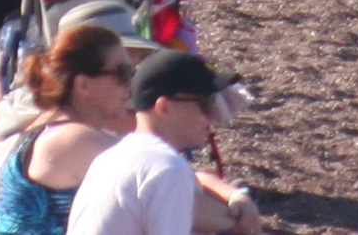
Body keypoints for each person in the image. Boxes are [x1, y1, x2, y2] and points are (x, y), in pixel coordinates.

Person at [66, 48, 263, 235]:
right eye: (205, 104)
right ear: (164, 108)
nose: (213, 116)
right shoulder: (166, 168)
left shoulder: (113, 157)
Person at [0, 22, 141, 233]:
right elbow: (161, 183)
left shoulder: (51, 130)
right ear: (83, 85)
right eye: (123, 73)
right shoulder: (73, 140)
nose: (130, 85)